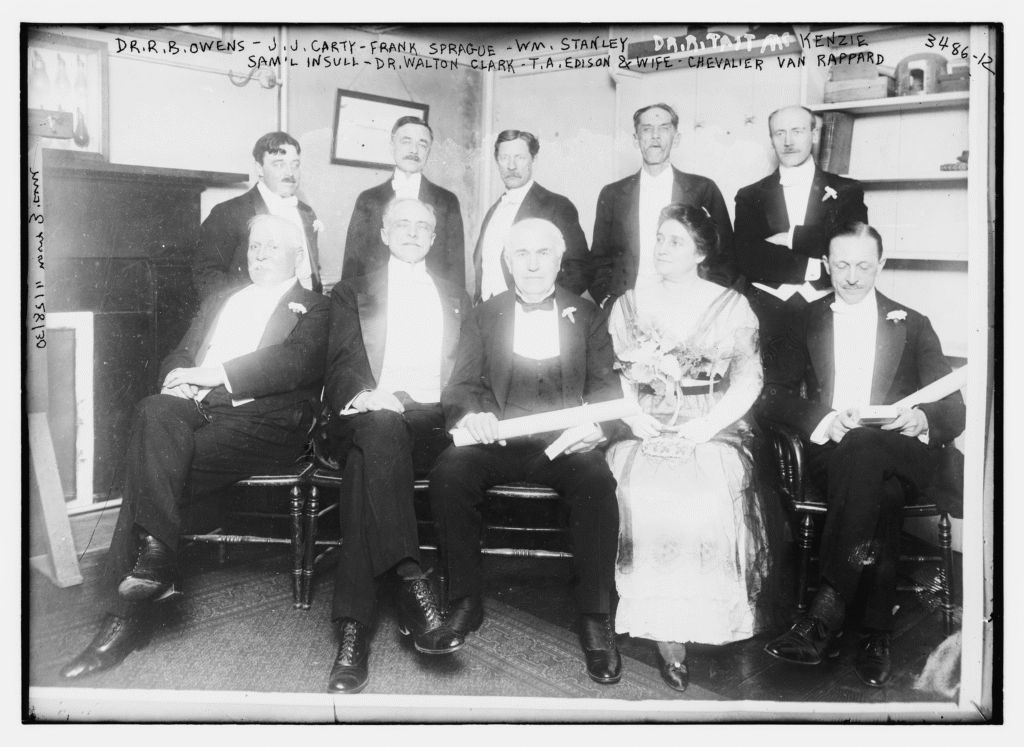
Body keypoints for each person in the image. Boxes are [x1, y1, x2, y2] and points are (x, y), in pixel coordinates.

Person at [61, 215, 329, 679]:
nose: (260, 254)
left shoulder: (316, 307)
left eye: (272, 246)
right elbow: (182, 351)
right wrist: (175, 377)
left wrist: (214, 374)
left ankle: (125, 619)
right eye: (254, 246)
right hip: (195, 408)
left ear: (298, 256)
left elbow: (294, 364)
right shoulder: (222, 299)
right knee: (153, 409)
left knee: (152, 466)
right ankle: (157, 558)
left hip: (262, 421)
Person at [760, 222, 965, 688]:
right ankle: (875, 633)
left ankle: (824, 615)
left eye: (863, 265)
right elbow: (772, 395)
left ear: (881, 264)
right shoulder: (801, 319)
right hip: (834, 450)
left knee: (871, 447)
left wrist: (924, 419)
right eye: (842, 265)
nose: (851, 277)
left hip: (901, 449)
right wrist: (825, 418)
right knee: (882, 492)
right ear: (827, 264)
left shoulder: (912, 323)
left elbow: (953, 405)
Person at [429, 218, 624, 685]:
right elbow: (459, 387)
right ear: (507, 261)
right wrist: (471, 415)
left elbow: (606, 390)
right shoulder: (484, 314)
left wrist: (598, 427)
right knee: (448, 473)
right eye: (522, 254)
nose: (533, 264)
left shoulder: (589, 315)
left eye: (543, 254)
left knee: (598, 480)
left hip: (563, 444)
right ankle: (464, 602)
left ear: (559, 260)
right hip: (497, 439)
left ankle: (595, 618)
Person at [604, 204, 769, 693]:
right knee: (636, 488)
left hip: (712, 427)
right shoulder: (628, 304)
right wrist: (635, 419)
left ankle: (706, 622)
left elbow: (749, 379)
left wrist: (707, 427)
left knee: (708, 491)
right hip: (647, 426)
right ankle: (665, 637)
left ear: (700, 251)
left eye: (674, 241)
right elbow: (614, 380)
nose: (660, 248)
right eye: (658, 238)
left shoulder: (731, 306)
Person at [323, 198, 471, 694]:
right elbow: (342, 363)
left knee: (368, 467)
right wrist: (366, 395)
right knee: (380, 430)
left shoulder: (456, 295)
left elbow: (469, 373)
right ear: (384, 233)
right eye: (401, 224)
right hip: (372, 409)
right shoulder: (351, 292)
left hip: (434, 420)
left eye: (423, 226)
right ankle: (410, 579)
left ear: (433, 238)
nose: (412, 232)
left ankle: (353, 633)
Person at [734, 105, 867, 385]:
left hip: (828, 306)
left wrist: (791, 237)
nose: (788, 141)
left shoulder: (846, 191)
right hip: (769, 311)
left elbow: (854, 244)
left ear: (814, 134)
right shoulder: (750, 195)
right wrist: (814, 266)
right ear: (771, 139)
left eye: (797, 131)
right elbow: (747, 257)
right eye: (779, 133)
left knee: (830, 389)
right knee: (772, 398)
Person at [588, 102, 734, 309]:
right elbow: (599, 260)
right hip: (629, 304)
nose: (655, 136)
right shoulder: (612, 194)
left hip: (688, 304)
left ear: (676, 139)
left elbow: (726, 256)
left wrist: (705, 302)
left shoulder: (703, 189)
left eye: (664, 129)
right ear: (635, 139)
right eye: (646, 129)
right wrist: (608, 300)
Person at [193, 131, 323, 300]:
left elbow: (309, 272)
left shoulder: (307, 213)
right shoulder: (228, 212)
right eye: (278, 164)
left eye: (295, 164)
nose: (290, 173)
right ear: (259, 168)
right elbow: (205, 276)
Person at [342, 116, 465, 289]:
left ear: (429, 151)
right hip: (379, 302)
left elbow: (455, 270)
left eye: (422, 144)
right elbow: (352, 266)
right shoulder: (368, 200)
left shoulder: (447, 201)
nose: (414, 150)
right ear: (392, 146)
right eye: (406, 141)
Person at [472, 129, 590, 301]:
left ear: (533, 159)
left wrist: (544, 306)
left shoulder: (557, 206)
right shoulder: (493, 211)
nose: (511, 166)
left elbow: (580, 270)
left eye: (519, 157)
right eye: (504, 158)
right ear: (497, 161)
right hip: (488, 316)